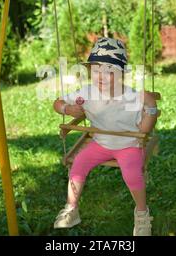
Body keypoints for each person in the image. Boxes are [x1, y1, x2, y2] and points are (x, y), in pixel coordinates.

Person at [52, 37, 159, 236]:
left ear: (121, 75)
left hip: (128, 145)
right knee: (78, 164)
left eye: (109, 71)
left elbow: (144, 131)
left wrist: (151, 108)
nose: (101, 76)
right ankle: (72, 209)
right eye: (97, 69)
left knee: (132, 173)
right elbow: (57, 103)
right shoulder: (86, 93)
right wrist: (67, 108)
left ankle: (142, 215)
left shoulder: (132, 97)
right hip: (100, 143)